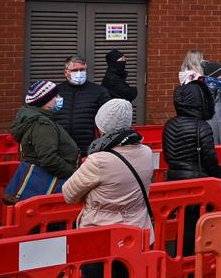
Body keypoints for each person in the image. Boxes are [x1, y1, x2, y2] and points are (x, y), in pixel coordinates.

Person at [63, 100, 156, 245]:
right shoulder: (147, 152)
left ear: (101, 127)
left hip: (102, 235)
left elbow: (68, 194)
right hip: (138, 233)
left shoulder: (98, 160)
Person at [12, 81, 78, 185]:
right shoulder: (42, 124)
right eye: (56, 96)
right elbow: (49, 158)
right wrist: (73, 173)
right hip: (51, 181)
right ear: (46, 101)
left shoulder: (38, 118)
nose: (60, 98)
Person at [164, 79, 221, 180]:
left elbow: (167, 155)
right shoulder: (202, 127)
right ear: (199, 101)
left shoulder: (169, 124)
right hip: (196, 179)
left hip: (172, 177)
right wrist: (219, 176)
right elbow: (210, 159)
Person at [54, 56, 112, 156]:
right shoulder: (56, 91)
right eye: (75, 70)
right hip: (60, 149)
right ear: (66, 72)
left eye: (82, 70)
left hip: (88, 149)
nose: (79, 73)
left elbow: (109, 118)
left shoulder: (99, 91)